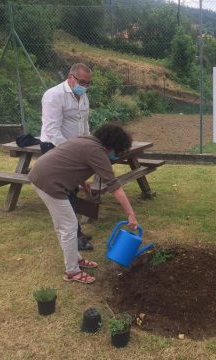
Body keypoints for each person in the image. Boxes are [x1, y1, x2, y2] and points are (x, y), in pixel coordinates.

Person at [29, 122, 138, 284]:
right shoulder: (97, 152)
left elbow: (72, 160)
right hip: (49, 182)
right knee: (68, 227)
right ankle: (72, 271)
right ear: (112, 146)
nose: (117, 155)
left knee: (65, 226)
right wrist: (130, 214)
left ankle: (76, 259)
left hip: (42, 173)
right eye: (118, 151)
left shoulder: (87, 140)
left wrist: (81, 182)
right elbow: (115, 187)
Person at [39, 62, 94, 251]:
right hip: (55, 149)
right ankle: (75, 236)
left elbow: (84, 125)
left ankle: (76, 232)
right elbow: (52, 131)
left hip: (74, 150)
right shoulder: (54, 96)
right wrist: (73, 153)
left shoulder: (84, 97)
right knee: (64, 193)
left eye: (88, 83)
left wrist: (87, 147)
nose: (85, 86)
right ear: (70, 77)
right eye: (82, 82)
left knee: (74, 191)